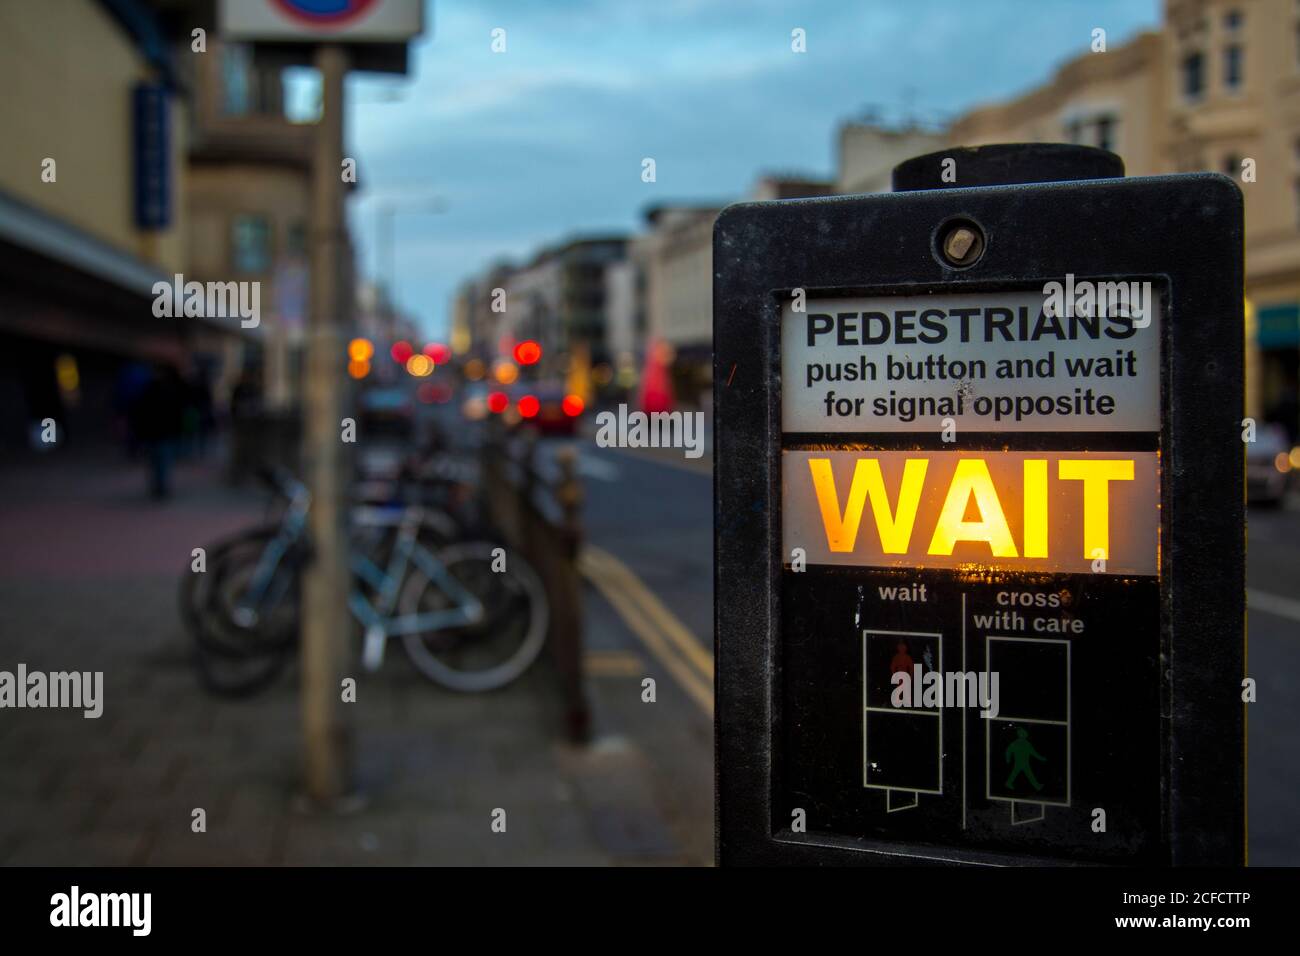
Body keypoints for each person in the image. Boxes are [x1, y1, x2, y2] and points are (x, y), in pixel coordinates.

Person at [132, 365, 185, 499]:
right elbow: (176, 413)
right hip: (161, 432)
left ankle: (158, 486)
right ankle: (160, 487)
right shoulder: (167, 390)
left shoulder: (150, 390)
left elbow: (141, 412)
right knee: (161, 461)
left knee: (156, 461)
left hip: (156, 432)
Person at [1004, 728, 1046, 793]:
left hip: (1024, 762)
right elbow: (1008, 751)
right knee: (1027, 774)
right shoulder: (1019, 743)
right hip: (1021, 762)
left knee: (1024, 774)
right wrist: (1008, 759)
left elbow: (1033, 752)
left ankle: (1037, 786)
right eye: (1023, 734)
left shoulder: (1025, 743)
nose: (1024, 735)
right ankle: (1037, 786)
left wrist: (1041, 758)